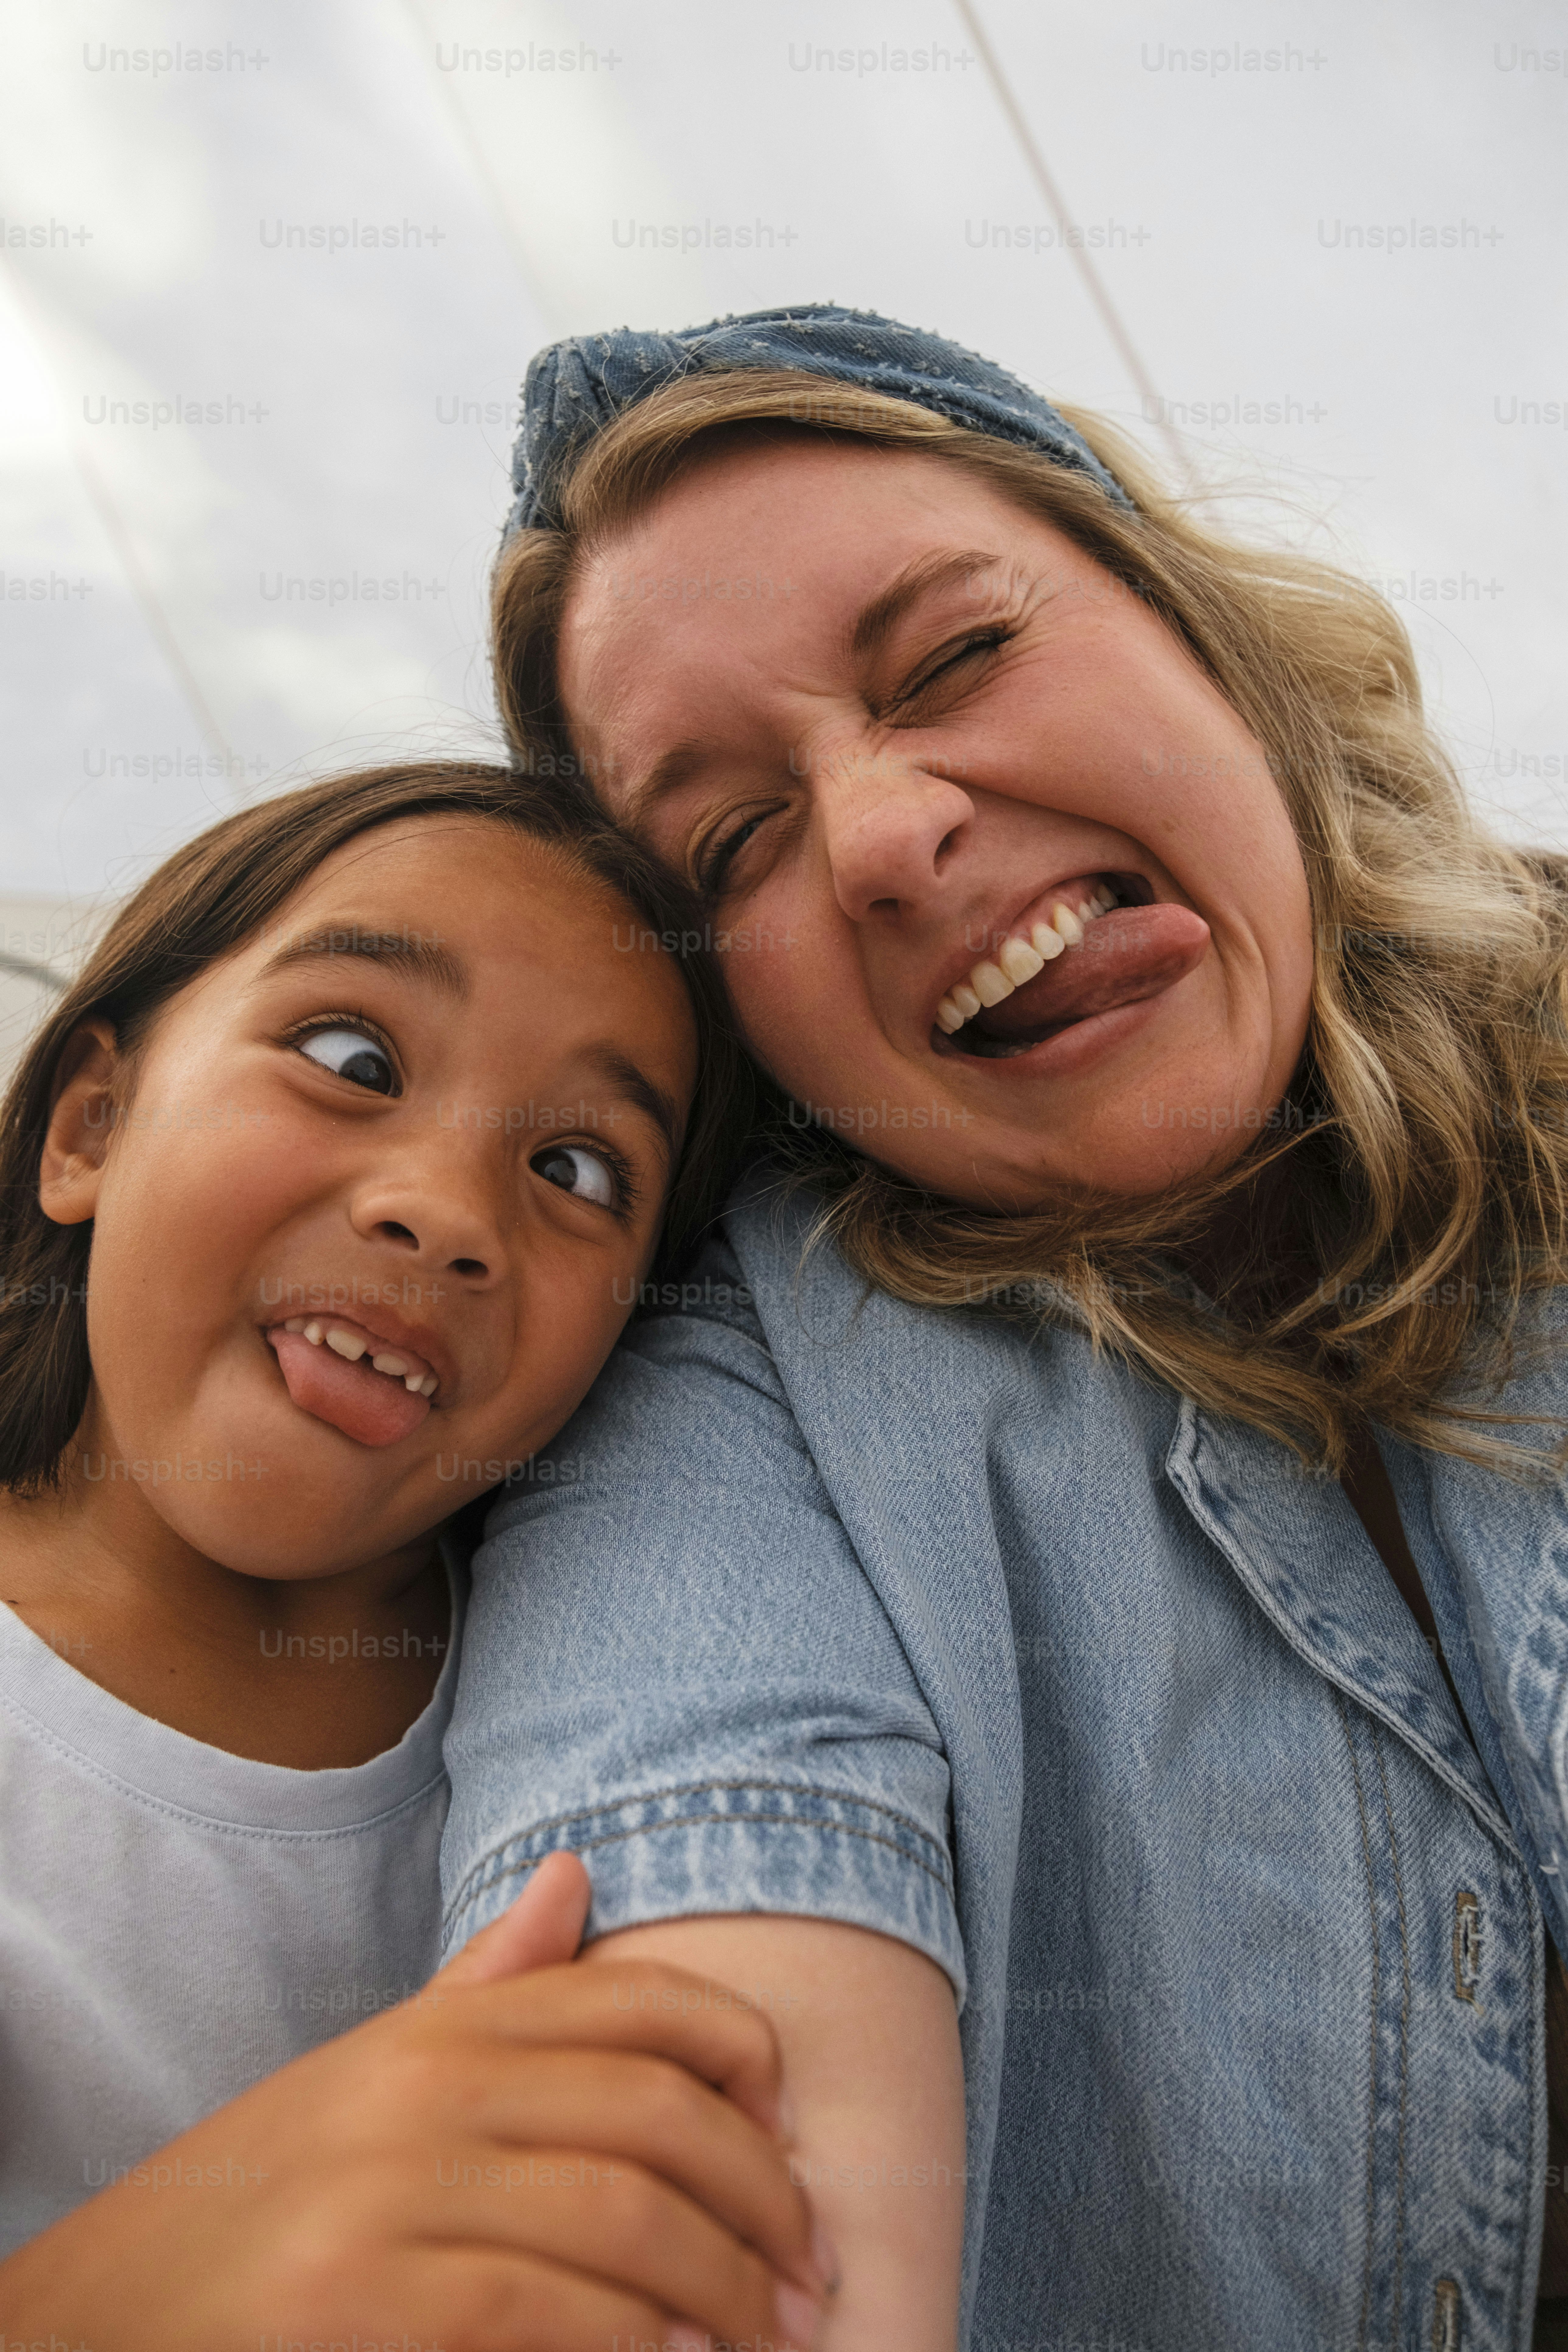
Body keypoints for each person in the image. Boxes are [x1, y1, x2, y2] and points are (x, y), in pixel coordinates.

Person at [444, 306, 1568, 2351]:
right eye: (734, 842)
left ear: (1195, 627)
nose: (881, 839)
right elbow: (701, 2063)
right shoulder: (730, 1400)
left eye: (957, 656)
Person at [0, 760, 834, 2349]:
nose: (446, 1212)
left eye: (578, 1171)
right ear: (91, 1124)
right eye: (351, 1055)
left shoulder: (619, 1720)